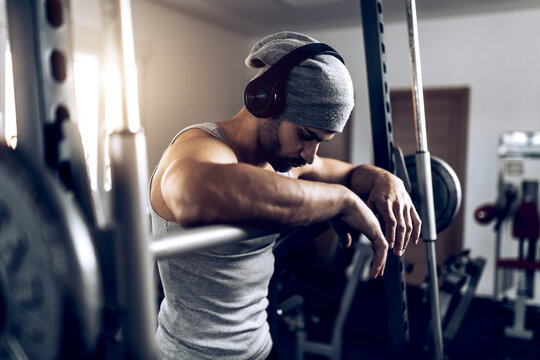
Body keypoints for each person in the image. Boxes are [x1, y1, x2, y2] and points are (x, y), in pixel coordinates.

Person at [149, 31, 421, 360]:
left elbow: (352, 174)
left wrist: (386, 178)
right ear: (266, 101)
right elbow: (194, 196)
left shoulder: (285, 164)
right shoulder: (200, 146)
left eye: (321, 142)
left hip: (261, 349)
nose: (309, 156)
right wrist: (339, 200)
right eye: (306, 136)